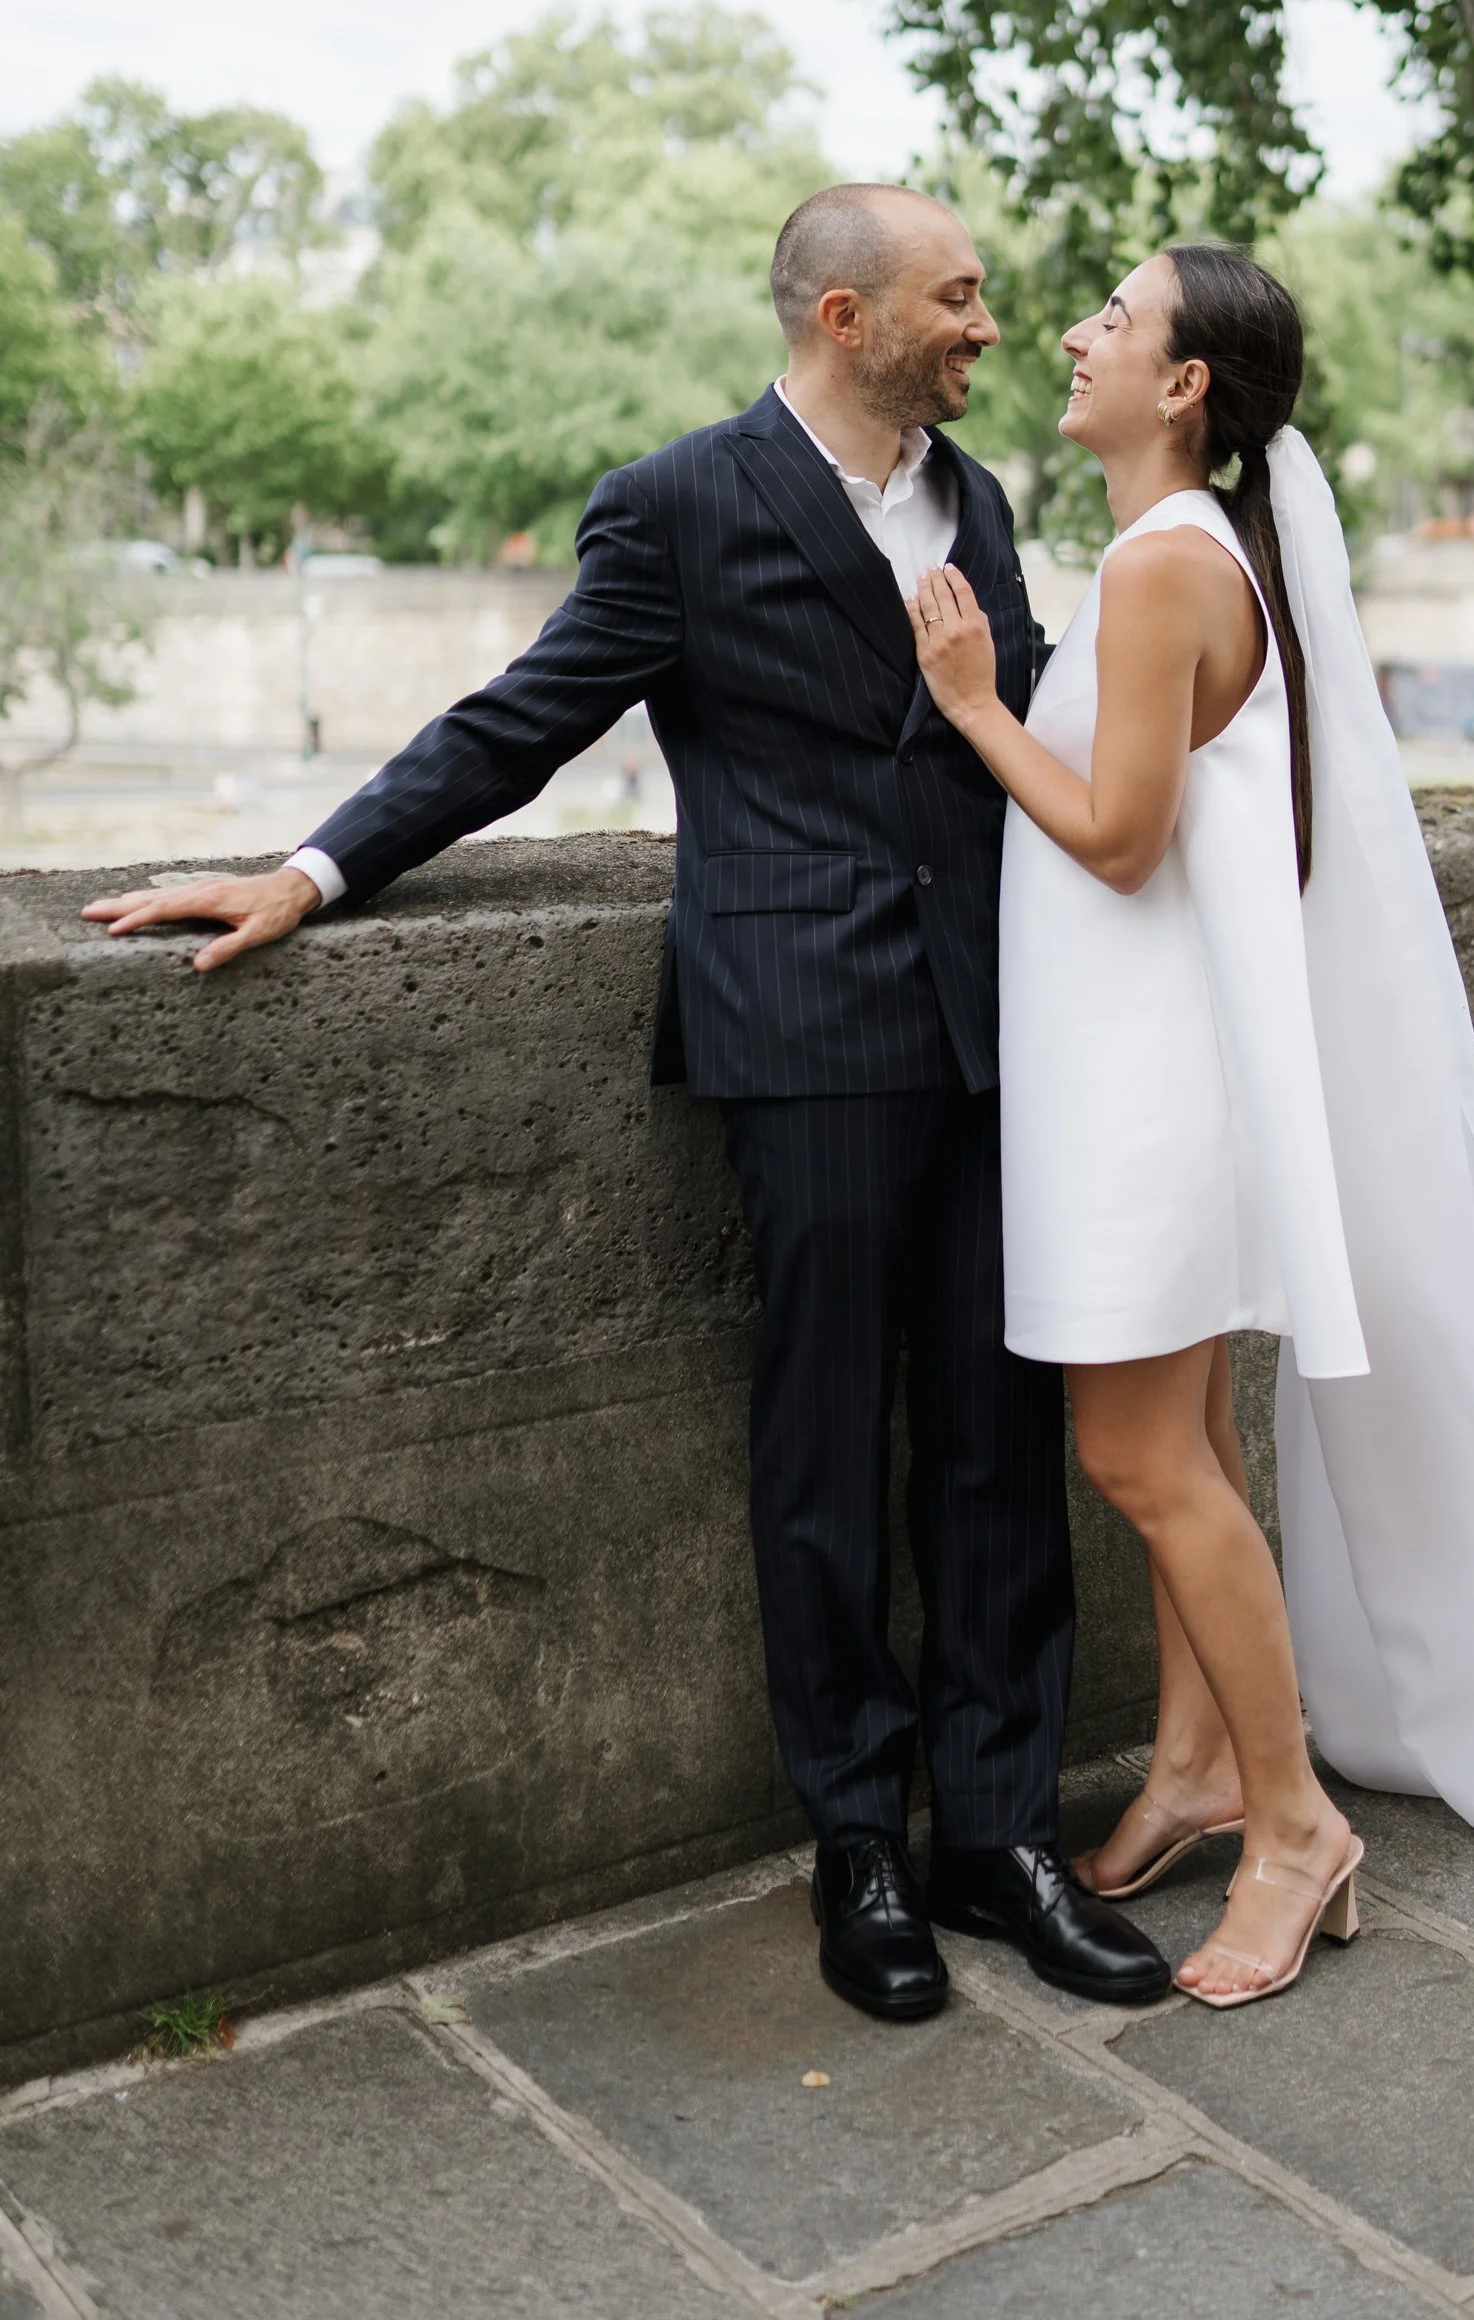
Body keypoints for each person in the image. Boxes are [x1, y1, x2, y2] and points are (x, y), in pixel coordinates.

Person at [81, 185, 1170, 2025]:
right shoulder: (679, 502)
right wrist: (317, 868)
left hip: (999, 1024)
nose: (989, 327)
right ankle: (860, 1847)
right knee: (825, 1445)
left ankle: (999, 1833)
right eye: (957, 301)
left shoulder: (976, 504)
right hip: (803, 1021)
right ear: (847, 315)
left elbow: (1033, 724)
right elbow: (526, 717)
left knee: (1000, 1435)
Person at [906, 241, 1474, 2010]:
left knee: (1141, 1460)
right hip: (1145, 1066)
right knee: (1183, 1432)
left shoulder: (1163, 569)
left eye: (1112, 320)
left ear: (1184, 385)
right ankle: (1201, 1766)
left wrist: (971, 704)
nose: (1074, 334)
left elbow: (1118, 837)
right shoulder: (1189, 554)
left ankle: (1293, 1824)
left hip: (1137, 1099)